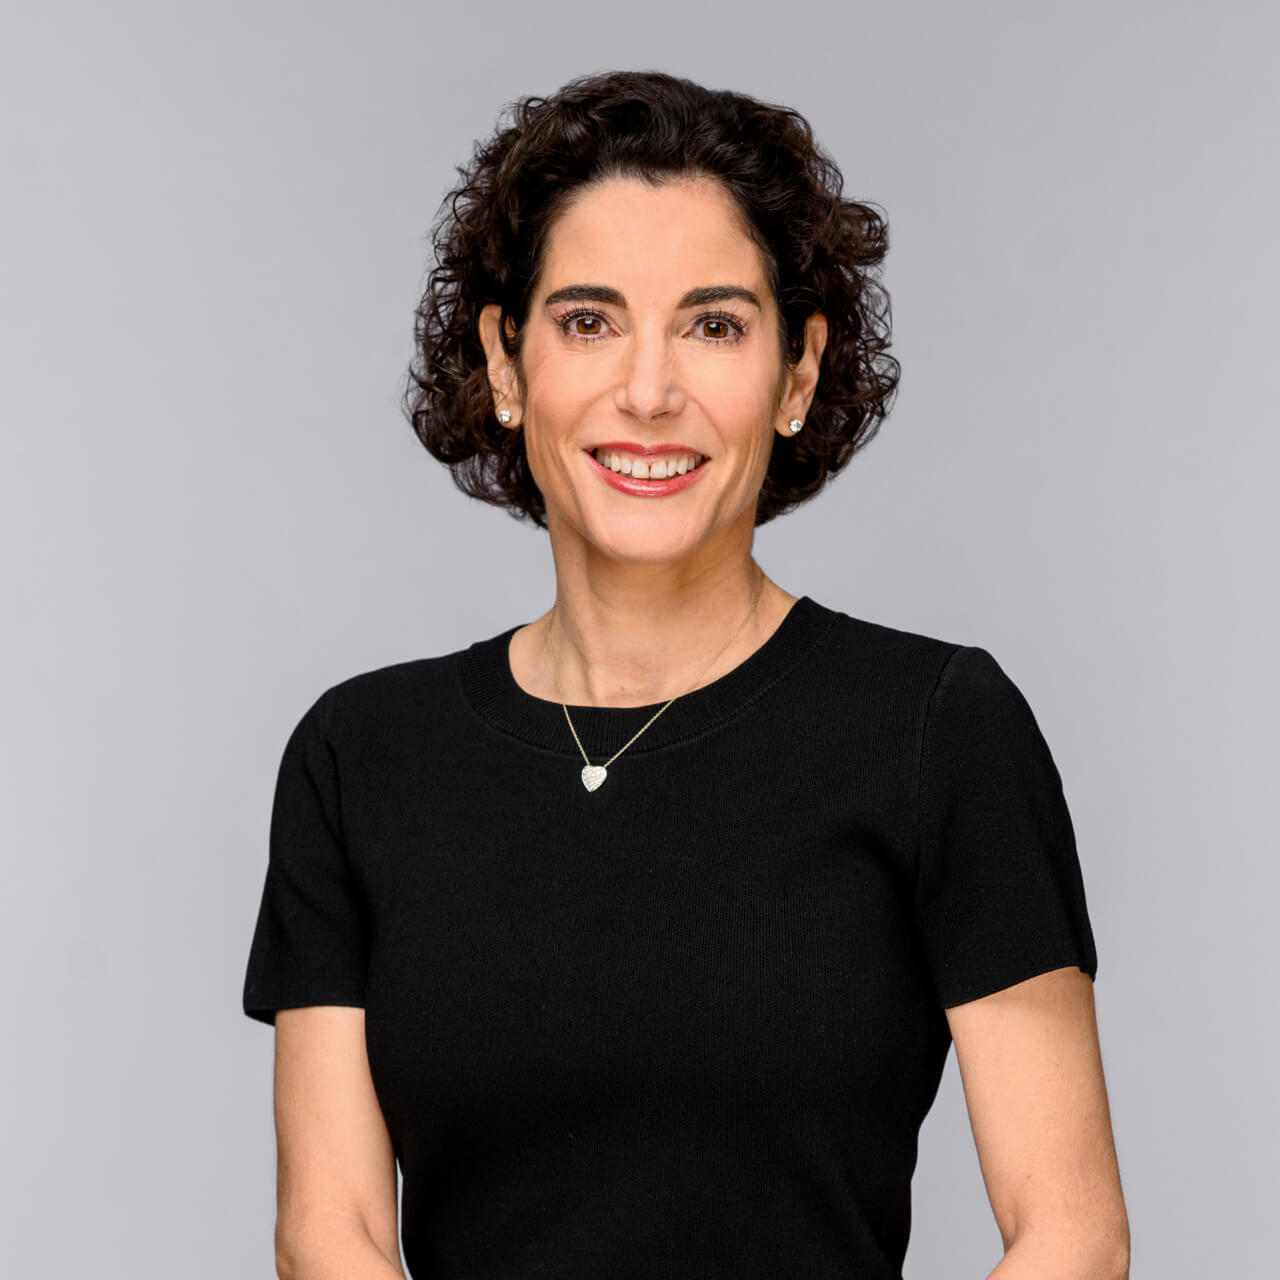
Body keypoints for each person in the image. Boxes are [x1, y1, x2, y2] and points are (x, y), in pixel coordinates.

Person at [242, 69, 1129, 1280]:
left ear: (797, 371)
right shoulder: (362, 757)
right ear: (505, 363)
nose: (649, 392)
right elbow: (328, 1231)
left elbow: (1072, 1234)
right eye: (587, 321)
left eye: (712, 325)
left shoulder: (936, 730)